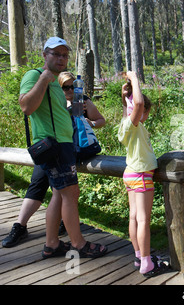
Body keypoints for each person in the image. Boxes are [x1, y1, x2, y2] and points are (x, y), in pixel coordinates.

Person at [16, 37, 107, 258]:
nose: (61, 58)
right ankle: (78, 243)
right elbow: (26, 106)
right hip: (53, 145)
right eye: (56, 54)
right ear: (44, 54)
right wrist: (44, 79)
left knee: (59, 194)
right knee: (70, 194)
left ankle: (52, 244)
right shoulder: (36, 75)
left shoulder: (56, 83)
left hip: (63, 145)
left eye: (64, 55)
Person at [118, 71, 168, 278]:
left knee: (134, 217)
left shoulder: (125, 125)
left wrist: (124, 96)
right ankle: (147, 263)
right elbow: (137, 104)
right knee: (143, 220)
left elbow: (131, 105)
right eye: (146, 111)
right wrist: (135, 78)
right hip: (140, 175)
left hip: (131, 173)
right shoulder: (134, 123)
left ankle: (139, 255)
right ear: (143, 111)